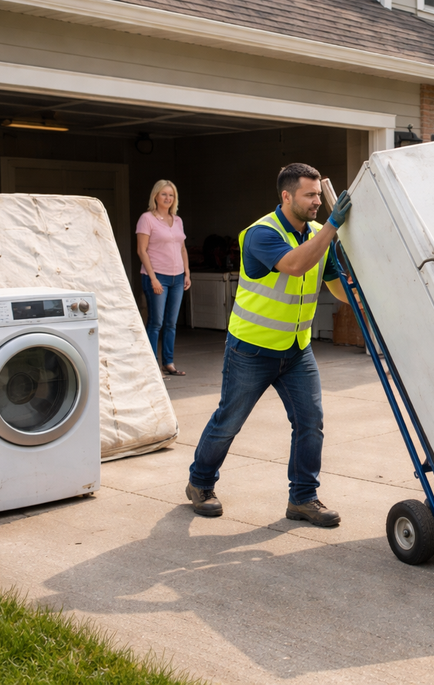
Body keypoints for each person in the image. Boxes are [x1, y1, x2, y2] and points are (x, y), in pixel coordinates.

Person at [185, 163, 353, 527]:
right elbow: (294, 265)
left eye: (316, 194)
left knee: (311, 422)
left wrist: (360, 289)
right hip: (252, 349)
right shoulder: (261, 233)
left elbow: (335, 286)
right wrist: (332, 228)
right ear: (286, 196)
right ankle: (200, 484)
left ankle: (303, 499)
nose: (315, 202)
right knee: (228, 422)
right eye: (308, 195)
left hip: (296, 350)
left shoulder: (316, 234)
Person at [137, 179, 191, 376]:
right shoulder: (147, 219)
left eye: (171, 195)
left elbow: (182, 248)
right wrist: (153, 279)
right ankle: (152, 365)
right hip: (157, 276)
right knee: (156, 322)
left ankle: (168, 362)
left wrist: (187, 272)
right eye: (164, 194)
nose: (168, 198)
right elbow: (141, 251)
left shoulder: (177, 220)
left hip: (177, 278)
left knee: (171, 323)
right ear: (155, 196)